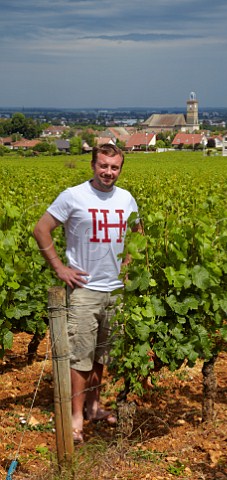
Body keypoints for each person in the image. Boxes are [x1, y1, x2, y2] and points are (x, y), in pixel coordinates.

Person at [34, 143, 140, 444]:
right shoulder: (73, 196)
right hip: (84, 291)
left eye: (114, 167)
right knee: (79, 357)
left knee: (100, 355)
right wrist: (59, 268)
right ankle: (75, 418)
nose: (108, 172)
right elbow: (41, 229)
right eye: (103, 166)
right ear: (93, 165)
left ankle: (93, 407)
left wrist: (129, 266)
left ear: (120, 168)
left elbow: (138, 233)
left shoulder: (126, 198)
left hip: (115, 291)